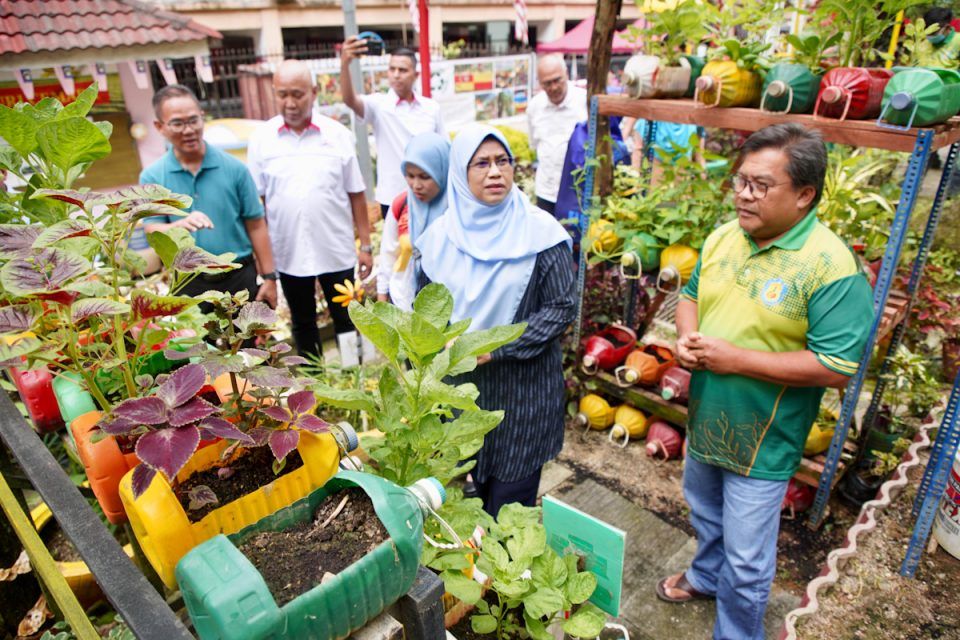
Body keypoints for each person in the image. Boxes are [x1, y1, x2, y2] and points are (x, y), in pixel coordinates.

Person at [657, 124, 874, 640]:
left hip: (765, 437)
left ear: (805, 195)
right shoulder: (724, 238)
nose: (743, 194)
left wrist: (736, 359)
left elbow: (838, 365)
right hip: (709, 415)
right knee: (705, 511)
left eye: (760, 185)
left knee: (749, 558)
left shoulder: (829, 266)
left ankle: (736, 633)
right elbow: (691, 293)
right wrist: (687, 337)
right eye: (740, 181)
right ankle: (707, 578)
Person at [417, 124, 576, 517]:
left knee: (511, 507)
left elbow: (561, 307)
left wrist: (497, 348)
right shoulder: (439, 239)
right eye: (481, 163)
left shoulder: (541, 234)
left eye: (502, 161)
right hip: (463, 392)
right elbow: (424, 314)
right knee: (467, 495)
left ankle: (505, 576)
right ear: (460, 172)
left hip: (524, 393)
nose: (495, 172)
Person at [246, 59, 371, 359]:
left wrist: (365, 244)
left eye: (298, 94)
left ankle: (355, 377)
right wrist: (264, 262)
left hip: (336, 247)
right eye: (283, 94)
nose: (290, 103)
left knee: (347, 316)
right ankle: (315, 385)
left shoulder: (336, 134)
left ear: (314, 92)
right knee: (303, 323)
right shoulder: (262, 140)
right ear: (274, 93)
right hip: (289, 252)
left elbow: (356, 192)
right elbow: (256, 206)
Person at [141, 85, 277, 309]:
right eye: (177, 123)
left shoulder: (235, 169)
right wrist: (179, 226)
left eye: (194, 120)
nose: (188, 130)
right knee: (196, 344)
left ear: (202, 118)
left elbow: (256, 225)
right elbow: (151, 229)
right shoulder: (153, 177)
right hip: (189, 282)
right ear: (159, 127)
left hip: (238, 277)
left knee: (246, 343)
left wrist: (270, 277)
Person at [339, 38, 445, 217]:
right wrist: (344, 64)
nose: (396, 75)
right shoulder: (378, 105)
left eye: (402, 70)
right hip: (392, 198)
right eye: (392, 69)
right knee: (396, 245)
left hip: (429, 195)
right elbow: (350, 99)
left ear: (415, 75)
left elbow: (444, 150)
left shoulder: (431, 108)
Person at [376, 133, 450, 311]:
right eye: (410, 175)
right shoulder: (401, 204)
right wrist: (381, 294)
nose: (416, 185)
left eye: (425, 176)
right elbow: (389, 252)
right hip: (405, 300)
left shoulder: (459, 209)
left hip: (449, 303)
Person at [526, 54, 587, 215]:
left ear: (566, 74)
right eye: (547, 83)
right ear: (539, 83)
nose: (553, 87)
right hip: (546, 191)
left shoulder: (584, 102)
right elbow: (533, 143)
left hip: (578, 192)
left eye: (557, 80)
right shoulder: (534, 106)